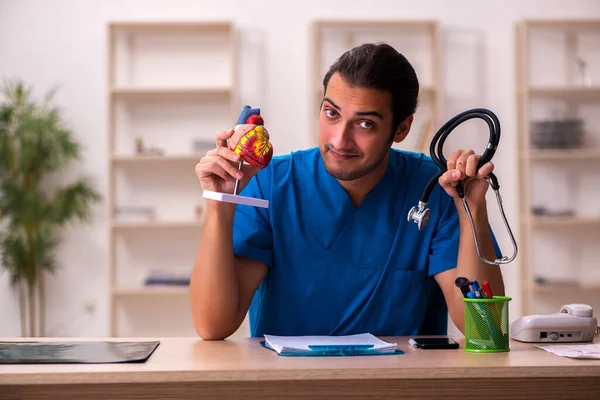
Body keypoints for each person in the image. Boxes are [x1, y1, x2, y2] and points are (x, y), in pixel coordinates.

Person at [190, 42, 505, 340]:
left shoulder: (437, 190)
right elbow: (213, 325)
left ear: (401, 129)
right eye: (331, 113)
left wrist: (472, 208)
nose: (340, 140)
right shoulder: (272, 184)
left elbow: (483, 331)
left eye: (365, 124)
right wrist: (219, 200)